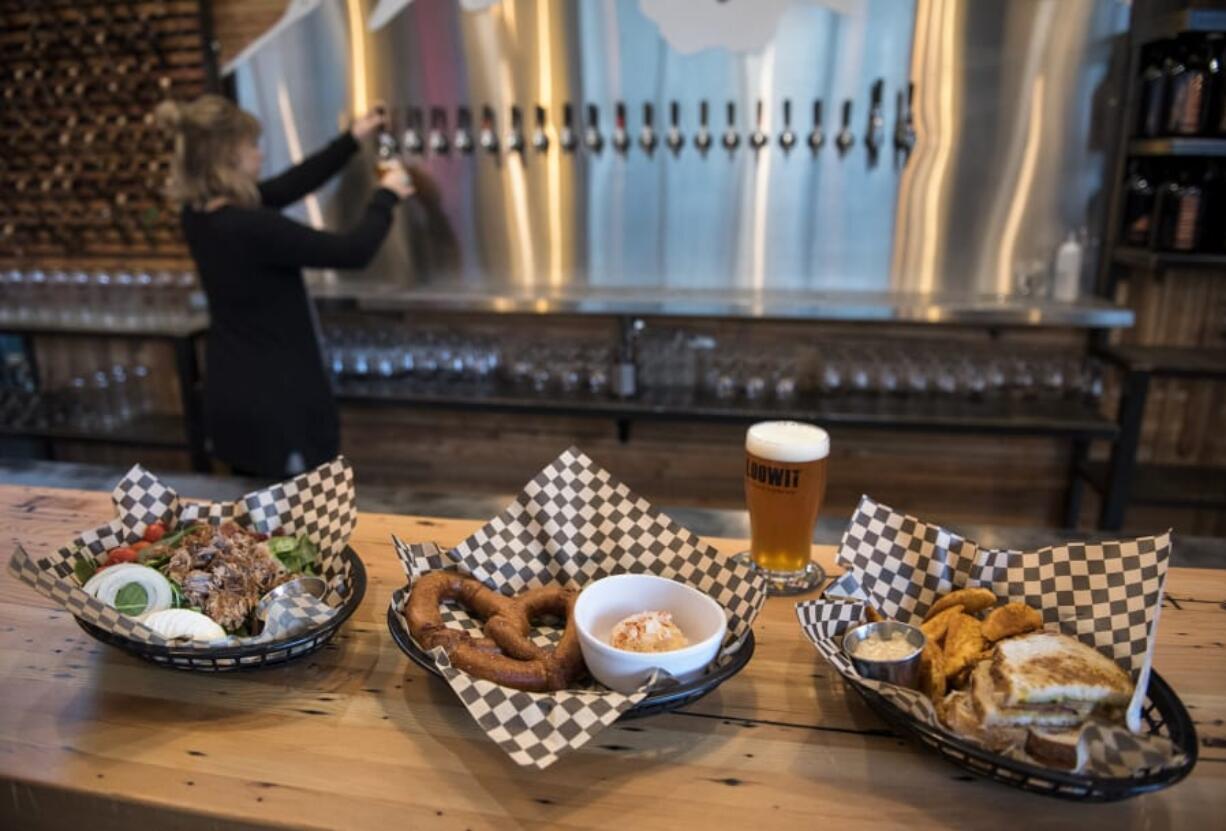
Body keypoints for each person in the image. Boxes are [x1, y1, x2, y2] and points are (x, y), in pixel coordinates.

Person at [154, 94, 414, 478]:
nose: (260, 154)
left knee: (254, 522)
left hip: (234, 396)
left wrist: (352, 139)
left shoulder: (198, 217)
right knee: (294, 527)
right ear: (228, 157)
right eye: (251, 146)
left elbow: (290, 185)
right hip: (279, 410)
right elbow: (352, 252)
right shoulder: (251, 227)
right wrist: (387, 195)